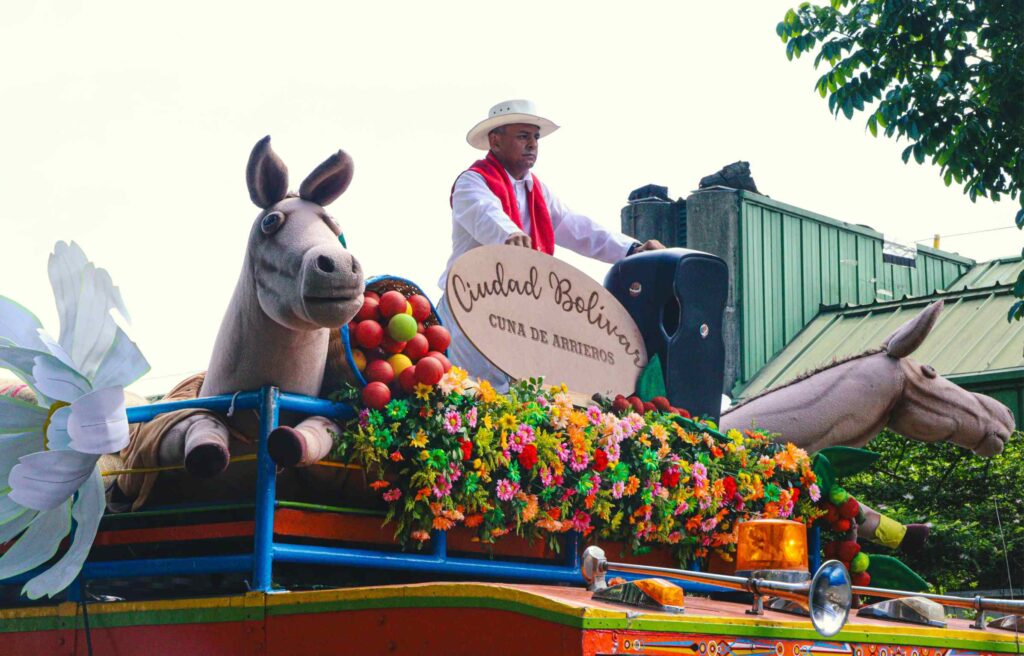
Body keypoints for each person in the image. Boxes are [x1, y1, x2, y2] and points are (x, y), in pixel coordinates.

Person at [436, 99, 664, 390]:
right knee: (471, 391)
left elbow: (576, 226)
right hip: (468, 306)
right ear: (495, 140)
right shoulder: (472, 182)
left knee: (518, 398)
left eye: (535, 137)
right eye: (522, 136)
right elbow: (485, 213)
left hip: (518, 315)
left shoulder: (537, 191)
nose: (532, 144)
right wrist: (510, 236)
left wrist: (632, 250)